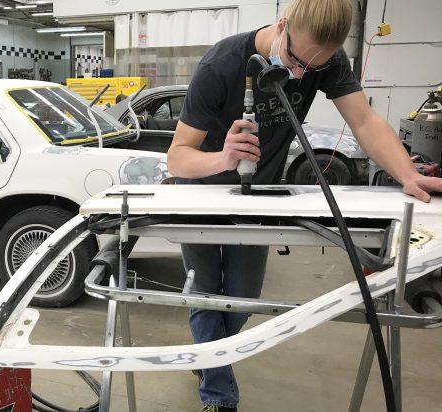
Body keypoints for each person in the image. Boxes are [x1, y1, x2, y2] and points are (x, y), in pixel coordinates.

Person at [165, 1, 442, 411]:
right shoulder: (221, 65)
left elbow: (363, 121)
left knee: (243, 299)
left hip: (258, 200)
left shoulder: (323, 59)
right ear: (281, 26)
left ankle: (209, 357)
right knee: (207, 295)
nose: (299, 74)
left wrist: (406, 173)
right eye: (295, 60)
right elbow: (177, 156)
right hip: (200, 192)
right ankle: (220, 397)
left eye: (312, 69)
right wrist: (223, 159)